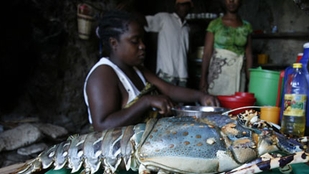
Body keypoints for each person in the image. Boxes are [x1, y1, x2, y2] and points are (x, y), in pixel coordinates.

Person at [83, 10, 219, 132]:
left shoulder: (136, 68)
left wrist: (201, 96)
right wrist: (146, 102)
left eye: (142, 40)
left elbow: (169, 90)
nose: (142, 46)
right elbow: (102, 126)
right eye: (135, 41)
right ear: (114, 43)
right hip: (117, 155)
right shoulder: (103, 75)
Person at [200, 0, 253, 96]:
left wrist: (250, 80)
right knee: (217, 104)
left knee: (236, 106)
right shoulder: (215, 24)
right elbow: (207, 53)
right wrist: (203, 78)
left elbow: (248, 55)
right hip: (219, 73)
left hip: (238, 73)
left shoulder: (247, 27)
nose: (231, 1)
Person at [144, 0, 193, 87]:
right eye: (183, 5)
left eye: (187, 6)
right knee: (165, 99)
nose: (185, 8)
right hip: (166, 74)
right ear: (176, 6)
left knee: (181, 100)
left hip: (182, 75)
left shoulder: (187, 28)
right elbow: (145, 22)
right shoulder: (164, 18)